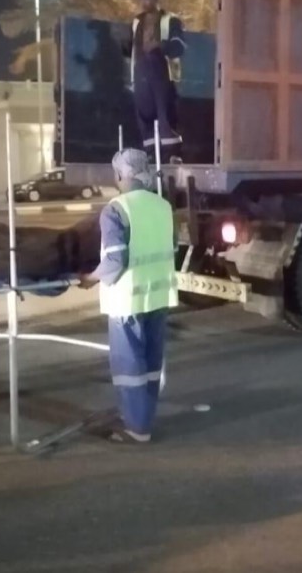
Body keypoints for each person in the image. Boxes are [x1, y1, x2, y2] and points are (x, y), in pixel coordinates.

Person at [79, 149, 177, 443]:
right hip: (158, 296)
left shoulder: (116, 210)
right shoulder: (163, 206)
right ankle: (143, 418)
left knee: (129, 366)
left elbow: (115, 260)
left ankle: (136, 429)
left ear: (121, 175)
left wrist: (89, 279)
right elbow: (171, 247)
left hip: (127, 301)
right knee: (150, 364)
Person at [123, 0, 186, 163]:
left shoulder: (170, 20)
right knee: (145, 113)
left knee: (165, 112)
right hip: (141, 70)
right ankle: (151, 153)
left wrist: (163, 47)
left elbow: (180, 45)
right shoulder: (136, 22)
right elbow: (129, 49)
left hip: (162, 69)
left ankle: (172, 154)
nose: (144, 1)